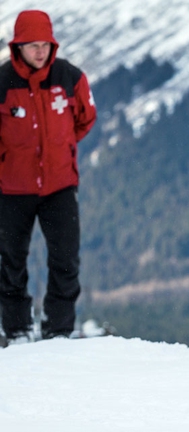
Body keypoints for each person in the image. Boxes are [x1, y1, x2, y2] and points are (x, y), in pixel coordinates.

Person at [0, 10, 97, 346]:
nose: (39, 52)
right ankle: (17, 329)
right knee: (11, 260)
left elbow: (85, 119)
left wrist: (61, 148)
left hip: (59, 187)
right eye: (32, 46)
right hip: (12, 189)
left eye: (45, 45)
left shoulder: (70, 77)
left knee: (66, 259)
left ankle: (58, 328)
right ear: (18, 47)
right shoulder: (2, 83)